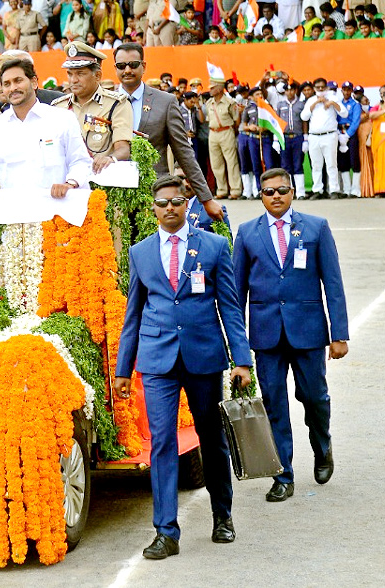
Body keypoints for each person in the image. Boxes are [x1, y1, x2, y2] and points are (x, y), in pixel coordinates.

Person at [115, 175, 252, 560]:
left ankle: (222, 516)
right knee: (162, 442)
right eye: (163, 203)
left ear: (185, 205)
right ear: (154, 209)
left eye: (176, 202)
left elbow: (229, 306)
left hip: (203, 356)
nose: (170, 208)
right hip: (157, 360)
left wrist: (242, 360)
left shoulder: (212, 246)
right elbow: (133, 315)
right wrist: (124, 369)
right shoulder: (140, 252)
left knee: (211, 436)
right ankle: (166, 532)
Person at [233, 168, 348, 502]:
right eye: (269, 192)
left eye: (282, 190)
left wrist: (338, 334)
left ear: (292, 192)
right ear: (262, 197)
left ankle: (322, 443)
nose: (276, 196)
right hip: (266, 334)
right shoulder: (248, 233)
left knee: (314, 397)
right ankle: (283, 474)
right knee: (273, 404)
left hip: (309, 330)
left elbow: (334, 283)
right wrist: (238, 347)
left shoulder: (316, 228)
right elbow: (236, 294)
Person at [111, 44, 222, 220]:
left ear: (144, 66)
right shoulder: (104, 102)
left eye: (133, 64)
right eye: (121, 66)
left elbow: (184, 153)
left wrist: (206, 199)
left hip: (154, 196)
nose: (127, 70)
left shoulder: (165, 102)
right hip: (114, 195)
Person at [0, 59, 91, 202]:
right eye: (7, 84)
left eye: (18, 81)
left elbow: (80, 161)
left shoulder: (62, 118)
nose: (12, 88)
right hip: (12, 214)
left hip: (56, 210)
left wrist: (70, 184)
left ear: (34, 82)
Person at [51, 41, 132, 171]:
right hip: (66, 182)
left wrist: (110, 159)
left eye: (80, 73)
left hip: (99, 181)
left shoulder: (116, 104)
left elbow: (123, 149)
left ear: (98, 75)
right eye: (70, 74)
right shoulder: (58, 107)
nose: (73, 80)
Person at [301, 78, 347, 198]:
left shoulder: (333, 98)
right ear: (314, 89)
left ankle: (333, 190)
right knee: (316, 165)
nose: (320, 90)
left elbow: (344, 113)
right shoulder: (310, 100)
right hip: (314, 136)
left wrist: (332, 103)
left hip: (330, 135)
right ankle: (317, 190)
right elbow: (304, 116)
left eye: (323, 87)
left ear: (326, 87)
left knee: (331, 164)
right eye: (318, 88)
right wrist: (316, 103)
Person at [206, 76, 242, 201]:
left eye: (213, 88)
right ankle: (221, 189)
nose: (210, 90)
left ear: (220, 88)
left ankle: (235, 190)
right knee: (216, 163)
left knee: (231, 162)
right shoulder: (208, 103)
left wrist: (233, 132)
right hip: (213, 133)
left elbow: (236, 119)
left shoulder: (230, 102)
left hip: (226, 131)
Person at [275, 82, 308, 198]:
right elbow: (277, 122)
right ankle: (288, 191)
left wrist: (305, 138)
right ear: (284, 92)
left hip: (297, 137)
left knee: (298, 164)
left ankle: (300, 192)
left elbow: (304, 122)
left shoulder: (301, 104)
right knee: (286, 166)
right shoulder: (280, 105)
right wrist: (276, 139)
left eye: (292, 90)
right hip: (284, 138)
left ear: (295, 91)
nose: (289, 92)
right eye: (287, 90)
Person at [336, 81, 364, 198]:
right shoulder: (338, 104)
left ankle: (355, 189)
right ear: (341, 91)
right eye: (344, 89)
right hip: (339, 133)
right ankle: (346, 189)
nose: (346, 92)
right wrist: (339, 134)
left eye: (348, 90)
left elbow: (356, 121)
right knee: (343, 162)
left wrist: (347, 135)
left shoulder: (355, 104)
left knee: (354, 161)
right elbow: (335, 118)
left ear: (351, 91)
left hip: (350, 134)